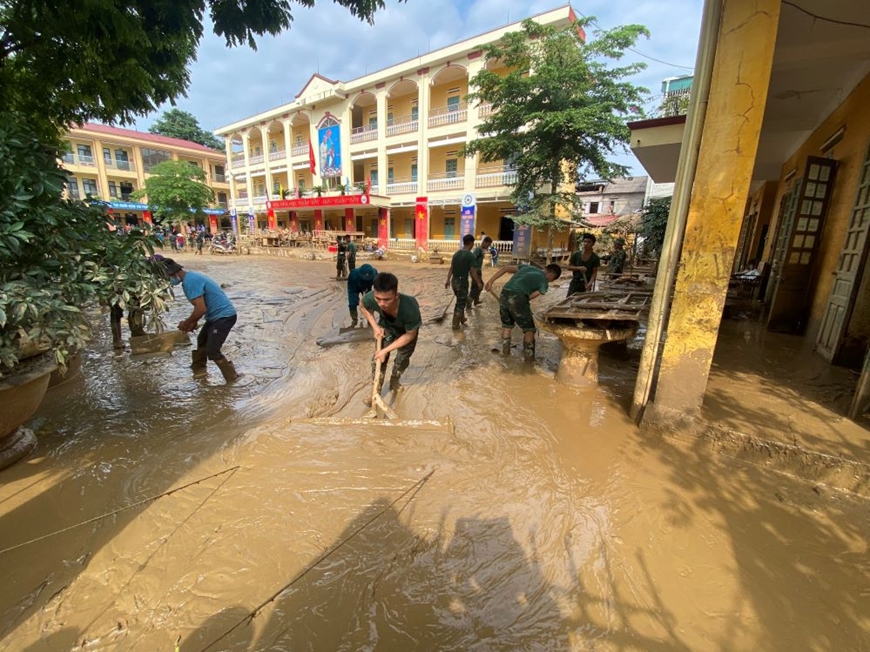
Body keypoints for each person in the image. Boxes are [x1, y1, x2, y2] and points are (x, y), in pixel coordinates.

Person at [161, 258, 239, 383]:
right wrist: (193, 321)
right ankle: (199, 371)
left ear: (171, 273)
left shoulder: (190, 282)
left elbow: (201, 309)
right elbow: (202, 306)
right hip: (215, 316)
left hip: (223, 317)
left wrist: (187, 323)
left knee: (213, 351)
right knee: (201, 341)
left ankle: (232, 379)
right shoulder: (191, 277)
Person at [359, 272, 422, 405]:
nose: (382, 304)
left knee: (401, 359)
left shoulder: (410, 307)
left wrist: (386, 350)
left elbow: (410, 335)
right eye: (378, 299)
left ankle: (394, 380)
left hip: (406, 333)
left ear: (396, 295)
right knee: (378, 359)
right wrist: (375, 326)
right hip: (386, 327)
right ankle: (375, 391)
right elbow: (363, 305)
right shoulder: (371, 298)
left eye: (387, 300)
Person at [485, 263, 562, 360]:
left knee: (507, 326)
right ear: (552, 275)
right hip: (518, 297)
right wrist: (518, 305)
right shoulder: (544, 283)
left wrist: (490, 282)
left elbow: (505, 268)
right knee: (529, 329)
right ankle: (529, 361)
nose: (550, 281)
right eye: (552, 280)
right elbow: (528, 298)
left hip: (505, 293)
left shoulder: (527, 267)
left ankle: (505, 354)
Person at [445, 234, 482, 330]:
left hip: (454, 281)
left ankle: (462, 319)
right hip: (462, 282)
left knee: (460, 300)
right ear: (471, 243)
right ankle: (455, 325)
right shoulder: (470, 256)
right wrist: (478, 282)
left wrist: (447, 280)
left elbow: (451, 269)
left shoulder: (456, 254)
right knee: (460, 303)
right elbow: (473, 271)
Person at [347, 263, 377, 327]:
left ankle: (370, 319)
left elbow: (378, 288)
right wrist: (358, 301)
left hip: (368, 287)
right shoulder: (353, 274)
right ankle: (354, 319)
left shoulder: (375, 274)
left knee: (371, 301)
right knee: (353, 301)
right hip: (355, 286)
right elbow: (351, 290)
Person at [469, 235, 493, 308]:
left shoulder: (480, 250)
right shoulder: (478, 250)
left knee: (476, 286)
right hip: (475, 271)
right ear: (484, 242)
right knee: (478, 286)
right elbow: (472, 258)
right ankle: (469, 301)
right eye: (488, 244)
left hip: (478, 270)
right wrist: (473, 270)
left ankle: (475, 300)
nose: (488, 247)